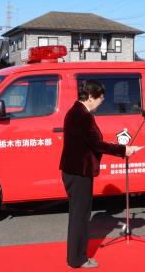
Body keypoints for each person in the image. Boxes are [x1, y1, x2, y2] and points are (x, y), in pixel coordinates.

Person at [59, 80, 138, 268]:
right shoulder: (82, 115)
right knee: (80, 217)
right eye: (100, 98)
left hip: (74, 170)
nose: (101, 101)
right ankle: (78, 259)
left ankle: (75, 257)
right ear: (91, 97)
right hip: (79, 172)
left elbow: (91, 142)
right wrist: (123, 150)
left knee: (77, 216)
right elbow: (97, 144)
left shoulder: (76, 111)